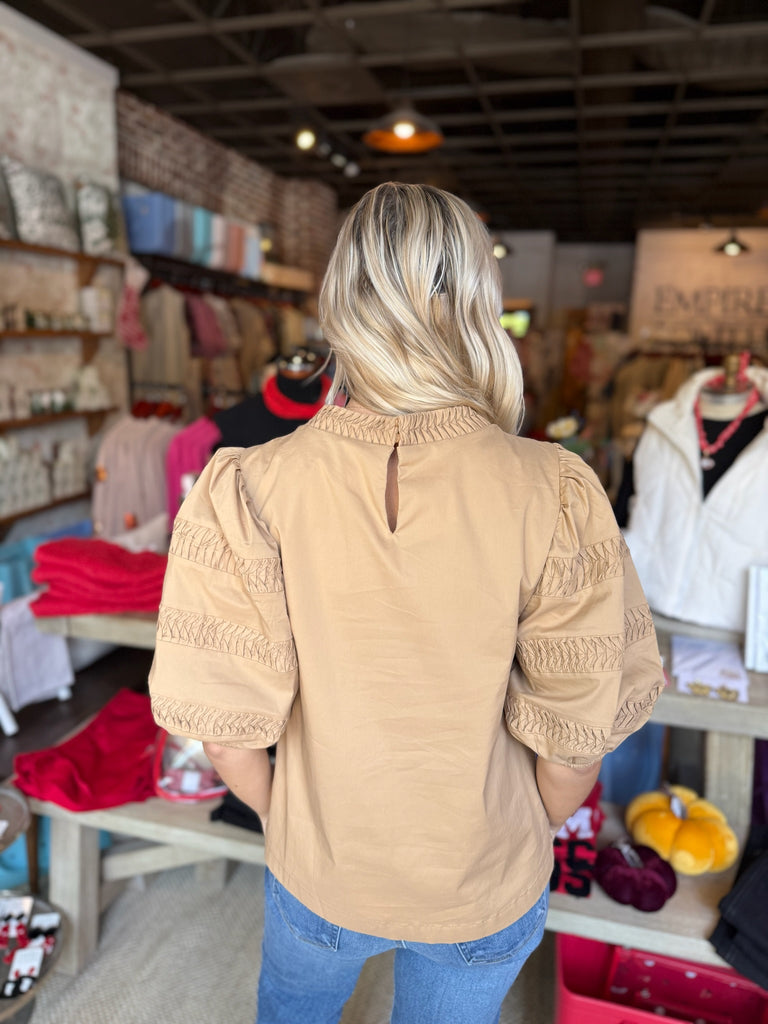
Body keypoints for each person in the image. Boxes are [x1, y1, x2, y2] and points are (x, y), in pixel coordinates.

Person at [148, 182, 664, 1024]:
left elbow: (229, 736)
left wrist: (300, 831)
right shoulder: (554, 490)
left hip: (319, 871)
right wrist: (512, 832)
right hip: (483, 876)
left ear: (340, 303)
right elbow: (577, 742)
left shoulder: (251, 486)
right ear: (477, 304)